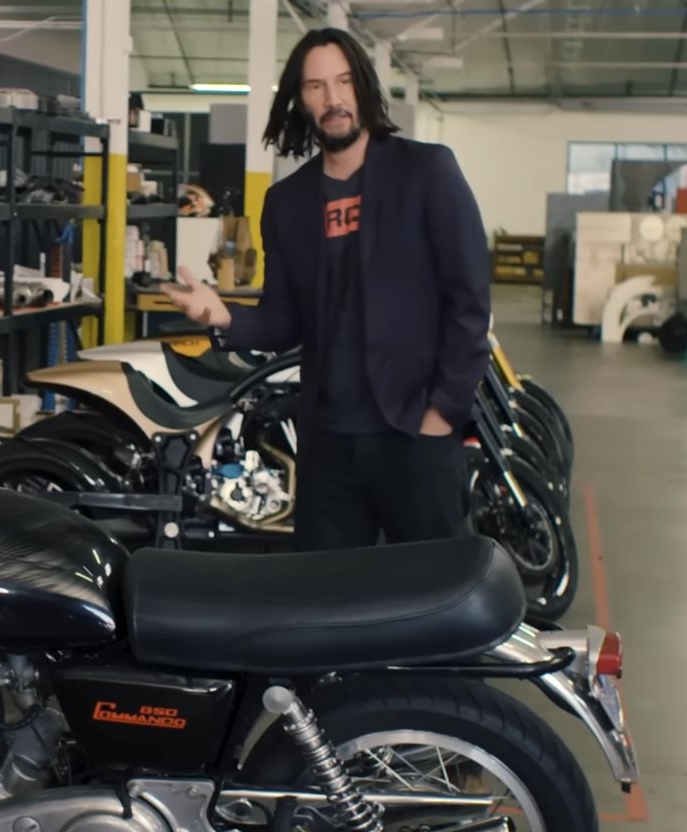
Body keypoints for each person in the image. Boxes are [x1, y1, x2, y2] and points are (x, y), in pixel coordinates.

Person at [162, 27, 492, 553]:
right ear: (301, 100)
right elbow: (283, 320)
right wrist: (222, 315)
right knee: (327, 593)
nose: (333, 98)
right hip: (328, 443)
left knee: (438, 590)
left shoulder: (427, 172)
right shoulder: (287, 202)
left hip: (414, 434)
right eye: (315, 86)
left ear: (363, 86)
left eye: (343, 81)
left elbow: (469, 302)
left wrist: (442, 414)